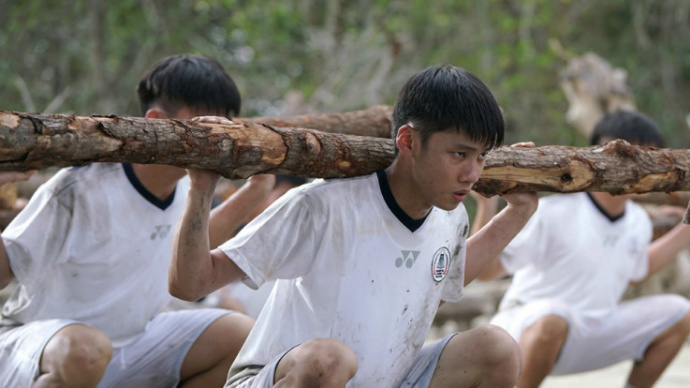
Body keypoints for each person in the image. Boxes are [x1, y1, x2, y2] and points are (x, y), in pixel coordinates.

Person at [170, 64, 539, 387]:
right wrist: (201, 189)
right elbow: (191, 284)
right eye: (459, 154)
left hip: (389, 380)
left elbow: (435, 288)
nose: (472, 174)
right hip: (286, 377)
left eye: (481, 157)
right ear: (408, 141)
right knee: (328, 362)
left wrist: (518, 212)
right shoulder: (323, 205)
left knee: (496, 348)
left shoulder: (451, 215)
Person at [0, 54, 274, 387]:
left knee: (240, 334)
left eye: (224, 126)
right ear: (157, 121)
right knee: (85, 351)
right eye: (206, 127)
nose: (219, 140)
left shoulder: (189, 184)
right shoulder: (78, 188)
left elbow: (180, 250)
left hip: (132, 343)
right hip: (40, 347)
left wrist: (258, 190)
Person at [475, 110, 690, 388]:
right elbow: (485, 271)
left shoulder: (636, 220)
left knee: (679, 311)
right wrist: (485, 204)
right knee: (554, 319)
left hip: (593, 330)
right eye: (632, 157)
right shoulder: (554, 212)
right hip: (526, 327)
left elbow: (637, 269)